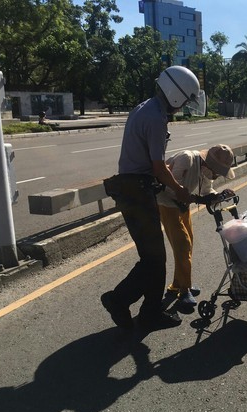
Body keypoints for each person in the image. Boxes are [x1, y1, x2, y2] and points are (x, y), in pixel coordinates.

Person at [100, 65, 203, 332]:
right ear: (176, 95)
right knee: (154, 259)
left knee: (154, 258)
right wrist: (180, 189)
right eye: (185, 102)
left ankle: (149, 313)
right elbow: (158, 167)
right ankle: (118, 299)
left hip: (134, 188)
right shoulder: (156, 118)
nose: (183, 108)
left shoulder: (145, 107)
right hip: (136, 191)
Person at [156, 144, 236, 306]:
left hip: (182, 205)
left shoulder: (204, 171)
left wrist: (219, 195)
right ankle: (184, 291)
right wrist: (197, 200)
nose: (216, 176)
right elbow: (171, 189)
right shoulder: (187, 160)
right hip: (167, 204)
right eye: (217, 172)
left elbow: (206, 191)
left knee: (187, 244)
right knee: (182, 245)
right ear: (210, 166)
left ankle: (177, 285)